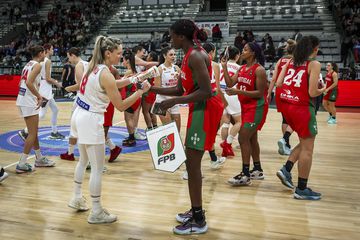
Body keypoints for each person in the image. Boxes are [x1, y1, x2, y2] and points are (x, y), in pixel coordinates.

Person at [150, 19, 223, 235]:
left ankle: (199, 219)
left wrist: (173, 102)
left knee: (192, 165)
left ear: (181, 37)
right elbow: (181, 88)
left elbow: (207, 91)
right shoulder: (188, 55)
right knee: (191, 165)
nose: (170, 39)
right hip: (198, 108)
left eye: (172, 35)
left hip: (206, 109)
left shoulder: (197, 56)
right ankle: (195, 211)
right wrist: (153, 90)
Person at [68, 36, 150, 223]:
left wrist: (131, 80)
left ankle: (76, 197)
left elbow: (111, 84)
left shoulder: (92, 65)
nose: (121, 57)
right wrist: (140, 91)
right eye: (119, 53)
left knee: (83, 161)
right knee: (97, 168)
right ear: (108, 53)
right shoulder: (105, 73)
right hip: (90, 119)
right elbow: (120, 105)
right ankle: (96, 211)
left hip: (78, 114)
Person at [276, 36, 325, 200]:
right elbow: (312, 92)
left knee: (305, 142)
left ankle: (287, 168)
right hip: (302, 108)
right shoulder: (314, 64)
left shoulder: (290, 62)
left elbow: (279, 83)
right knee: (308, 149)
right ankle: (302, 188)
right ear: (315, 49)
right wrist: (323, 89)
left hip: (288, 107)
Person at [222, 42, 268, 186]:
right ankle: (258, 170)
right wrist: (223, 66)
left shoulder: (259, 70)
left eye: (245, 49)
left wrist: (238, 92)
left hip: (257, 107)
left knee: (243, 138)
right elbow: (230, 84)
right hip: (246, 107)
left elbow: (260, 93)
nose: (242, 51)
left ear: (253, 53)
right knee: (252, 139)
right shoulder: (242, 68)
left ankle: (245, 174)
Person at [15, 45, 56, 173]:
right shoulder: (37, 65)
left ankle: (39, 158)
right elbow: (28, 83)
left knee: (34, 131)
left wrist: (35, 94)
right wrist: (38, 96)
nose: (45, 55)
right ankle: (21, 164)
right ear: (40, 53)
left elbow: (21, 83)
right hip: (28, 101)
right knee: (32, 133)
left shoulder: (28, 64)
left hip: (22, 99)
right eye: (44, 52)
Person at [267, 39, 296, 156]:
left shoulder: (280, 60)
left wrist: (269, 93)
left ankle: (286, 145)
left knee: (285, 118)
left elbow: (273, 79)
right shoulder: (297, 61)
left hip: (279, 91)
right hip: (292, 91)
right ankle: (285, 140)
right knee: (294, 119)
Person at [60, 47, 89, 161]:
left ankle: (71, 153)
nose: (69, 60)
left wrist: (68, 88)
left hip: (81, 98)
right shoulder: (87, 63)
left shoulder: (78, 65)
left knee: (74, 126)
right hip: (88, 98)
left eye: (69, 57)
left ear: (72, 55)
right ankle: (71, 152)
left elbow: (81, 85)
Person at [218, 46, 242, 158]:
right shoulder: (239, 68)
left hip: (220, 95)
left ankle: (225, 148)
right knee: (240, 122)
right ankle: (227, 143)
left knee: (226, 122)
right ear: (237, 56)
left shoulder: (219, 65)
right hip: (231, 95)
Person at [38, 44, 64, 139]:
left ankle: (54, 132)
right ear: (48, 50)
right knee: (42, 114)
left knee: (55, 110)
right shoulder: (47, 61)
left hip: (44, 87)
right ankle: (26, 131)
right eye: (52, 49)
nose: (53, 50)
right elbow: (48, 78)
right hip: (45, 89)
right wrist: (57, 83)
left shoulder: (40, 61)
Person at [154, 47, 181, 131]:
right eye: (171, 55)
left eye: (174, 54)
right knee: (168, 129)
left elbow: (181, 86)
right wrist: (172, 93)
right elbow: (157, 89)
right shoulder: (159, 69)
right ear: (164, 56)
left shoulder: (176, 68)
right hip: (162, 101)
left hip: (174, 101)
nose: (173, 56)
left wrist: (179, 80)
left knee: (177, 129)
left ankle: (177, 144)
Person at [142, 51, 158, 131]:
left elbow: (146, 79)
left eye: (148, 55)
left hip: (148, 90)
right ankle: (155, 127)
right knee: (151, 111)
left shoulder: (149, 67)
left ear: (151, 58)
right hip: (154, 91)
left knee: (145, 111)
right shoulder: (156, 66)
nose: (147, 56)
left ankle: (149, 128)